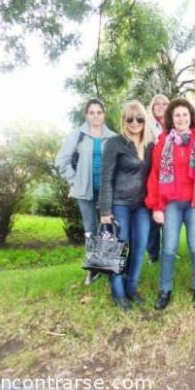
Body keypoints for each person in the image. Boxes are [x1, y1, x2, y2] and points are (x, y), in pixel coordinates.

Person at [146, 98, 195, 310]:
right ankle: (165, 289)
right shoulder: (162, 144)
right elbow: (155, 176)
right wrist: (157, 206)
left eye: (185, 115)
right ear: (171, 118)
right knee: (168, 247)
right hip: (171, 203)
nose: (181, 118)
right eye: (177, 115)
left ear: (191, 118)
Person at [99, 100, 153, 311]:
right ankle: (118, 292)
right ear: (123, 120)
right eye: (130, 118)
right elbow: (106, 178)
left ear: (144, 120)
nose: (134, 122)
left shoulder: (150, 144)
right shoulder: (114, 143)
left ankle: (131, 289)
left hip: (142, 205)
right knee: (118, 248)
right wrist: (105, 210)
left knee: (140, 248)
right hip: (119, 203)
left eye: (139, 118)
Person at [55, 98, 116, 285]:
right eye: (92, 112)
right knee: (90, 230)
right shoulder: (77, 135)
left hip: (107, 191)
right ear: (86, 115)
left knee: (107, 229)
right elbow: (61, 161)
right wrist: (75, 180)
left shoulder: (113, 137)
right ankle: (92, 269)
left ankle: (106, 267)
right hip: (85, 191)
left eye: (99, 112)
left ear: (104, 114)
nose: (95, 116)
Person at [146, 94, 170, 264]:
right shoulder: (146, 125)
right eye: (157, 104)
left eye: (165, 104)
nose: (161, 106)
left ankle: (168, 251)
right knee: (153, 216)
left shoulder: (172, 125)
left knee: (168, 215)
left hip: (169, 177)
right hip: (151, 173)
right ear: (152, 107)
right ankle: (153, 253)